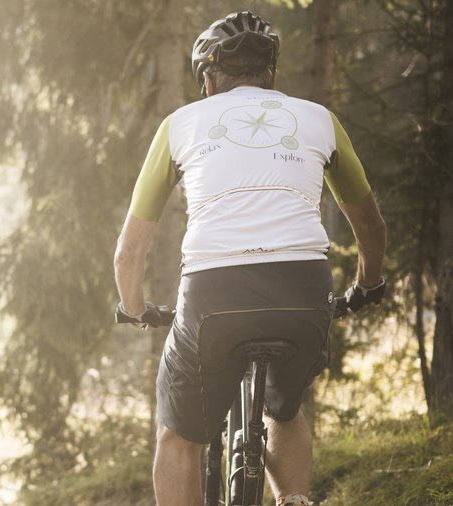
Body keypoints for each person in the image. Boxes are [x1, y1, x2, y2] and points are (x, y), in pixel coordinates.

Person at [113, 11, 387, 506]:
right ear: (272, 75)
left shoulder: (179, 125)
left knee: (178, 437)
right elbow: (369, 226)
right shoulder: (319, 119)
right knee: (284, 412)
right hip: (303, 291)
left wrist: (134, 309)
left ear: (206, 79)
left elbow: (129, 252)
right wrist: (366, 286)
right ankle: (296, 499)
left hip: (214, 296)